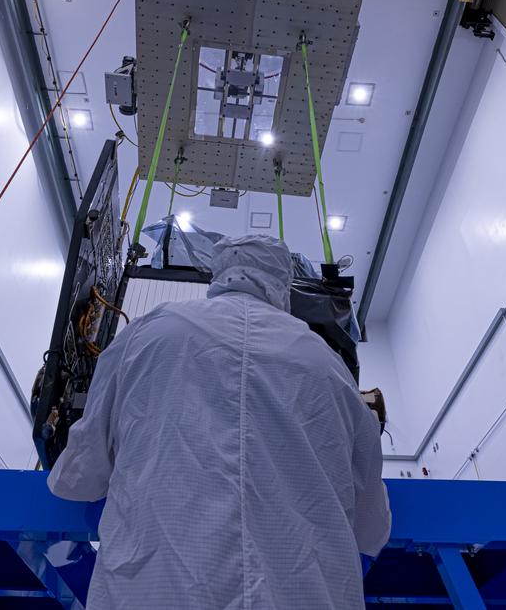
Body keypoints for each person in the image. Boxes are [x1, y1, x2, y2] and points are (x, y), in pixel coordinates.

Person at [48, 234, 391, 609]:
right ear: (283, 282)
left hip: (154, 592)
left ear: (219, 273)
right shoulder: (327, 365)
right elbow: (371, 526)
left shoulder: (150, 332)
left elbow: (81, 477)